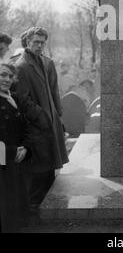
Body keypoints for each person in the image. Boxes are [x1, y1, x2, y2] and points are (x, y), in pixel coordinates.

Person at [13, 27, 68, 206]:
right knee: (39, 169)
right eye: (36, 42)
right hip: (37, 125)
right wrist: (43, 117)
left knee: (51, 167)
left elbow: (54, 92)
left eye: (42, 42)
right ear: (28, 42)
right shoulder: (21, 66)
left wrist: (58, 117)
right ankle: (33, 211)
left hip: (52, 122)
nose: (39, 45)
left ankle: (47, 207)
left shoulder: (47, 62)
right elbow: (23, 100)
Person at [0, 62, 31, 232]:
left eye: (10, 76)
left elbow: (26, 128)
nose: (7, 79)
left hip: (16, 162)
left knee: (15, 212)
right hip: (3, 162)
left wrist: (25, 147)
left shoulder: (14, 98)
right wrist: (13, 152)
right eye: (2, 75)